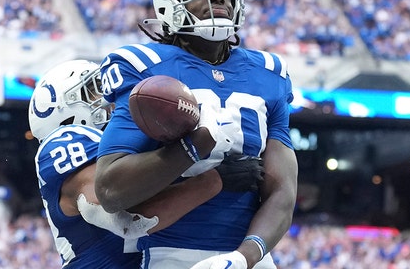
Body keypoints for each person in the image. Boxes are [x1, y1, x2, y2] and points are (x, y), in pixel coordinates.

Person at [94, 0, 298, 268]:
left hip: (248, 257)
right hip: (172, 253)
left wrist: (243, 258)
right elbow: (110, 188)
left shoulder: (269, 73)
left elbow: (283, 190)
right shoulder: (145, 67)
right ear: (167, 3)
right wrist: (192, 151)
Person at [29, 60, 264, 268]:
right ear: (61, 110)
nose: (109, 97)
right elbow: (128, 219)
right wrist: (213, 179)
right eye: (93, 90)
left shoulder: (124, 147)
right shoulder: (61, 143)